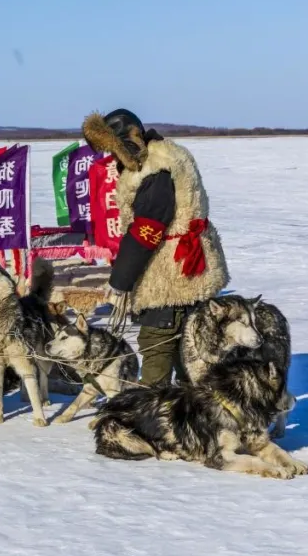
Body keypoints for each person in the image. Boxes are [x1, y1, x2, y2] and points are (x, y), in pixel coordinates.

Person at [82, 109, 230, 386]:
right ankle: (194, 415)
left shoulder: (155, 169)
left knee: (158, 348)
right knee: (192, 354)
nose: (111, 157)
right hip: (188, 268)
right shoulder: (168, 154)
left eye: (112, 149)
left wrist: (120, 281)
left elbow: (146, 230)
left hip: (169, 275)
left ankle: (156, 416)